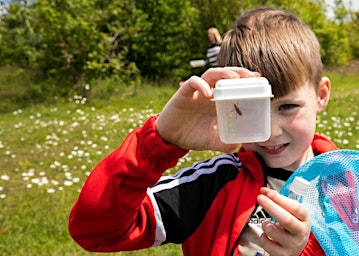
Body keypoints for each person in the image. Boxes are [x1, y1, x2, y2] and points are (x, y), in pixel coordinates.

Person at [69, 7, 335, 256]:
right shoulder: (213, 184)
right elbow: (97, 231)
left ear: (321, 96)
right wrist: (158, 142)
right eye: (250, 109)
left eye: (287, 106)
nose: (270, 131)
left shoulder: (348, 180)